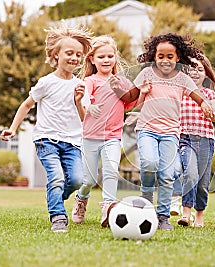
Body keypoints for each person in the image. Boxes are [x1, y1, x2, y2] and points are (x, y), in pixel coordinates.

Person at [113, 33, 214, 230]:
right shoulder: (147, 74)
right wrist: (118, 90)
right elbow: (131, 96)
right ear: (154, 57)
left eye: (170, 56)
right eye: (161, 56)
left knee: (167, 174)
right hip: (147, 130)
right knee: (150, 163)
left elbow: (198, 96)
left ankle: (162, 217)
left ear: (178, 58)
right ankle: (147, 202)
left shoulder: (183, 79)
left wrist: (205, 105)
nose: (165, 60)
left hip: (170, 133)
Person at [0, 24, 93, 232]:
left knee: (77, 180)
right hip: (46, 140)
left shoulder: (80, 86)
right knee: (57, 177)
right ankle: (58, 216)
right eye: (69, 53)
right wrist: (13, 129)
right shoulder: (46, 82)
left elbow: (84, 119)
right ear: (55, 55)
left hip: (72, 142)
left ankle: (56, 197)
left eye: (78, 54)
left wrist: (78, 101)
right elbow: (26, 105)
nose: (74, 58)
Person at [71, 36, 136, 227]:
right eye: (101, 57)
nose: (106, 60)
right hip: (90, 137)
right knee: (89, 179)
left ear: (115, 58)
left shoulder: (121, 82)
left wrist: (143, 94)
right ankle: (81, 199)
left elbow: (130, 102)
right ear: (92, 59)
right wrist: (88, 105)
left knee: (110, 171)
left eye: (110, 56)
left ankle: (108, 209)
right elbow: (84, 97)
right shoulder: (90, 80)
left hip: (112, 137)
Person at [176, 55, 215, 227]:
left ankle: (199, 214)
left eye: (200, 69)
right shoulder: (180, 92)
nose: (195, 72)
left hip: (205, 140)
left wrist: (212, 114)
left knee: (203, 182)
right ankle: (186, 213)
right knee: (190, 173)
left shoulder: (208, 94)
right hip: (185, 139)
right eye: (191, 68)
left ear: (206, 73)